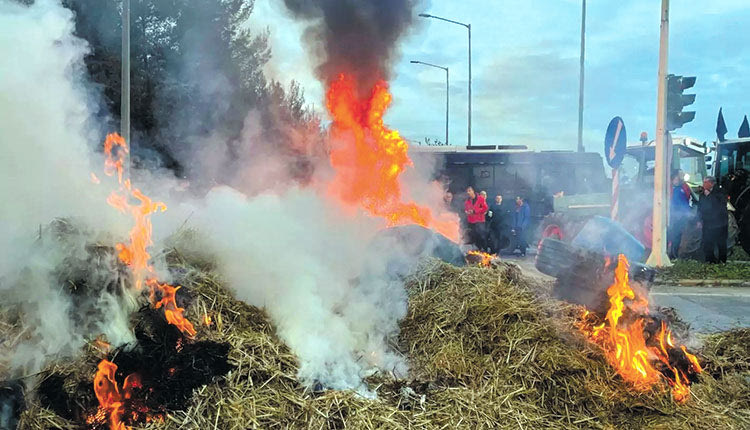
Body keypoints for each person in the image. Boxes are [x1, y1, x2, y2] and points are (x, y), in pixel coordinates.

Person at [697, 176, 728, 263]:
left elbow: (719, 205)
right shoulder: (703, 194)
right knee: (707, 242)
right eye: (703, 182)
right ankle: (709, 260)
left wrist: (709, 195)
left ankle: (722, 260)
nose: (703, 185)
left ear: (711, 183)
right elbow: (700, 207)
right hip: (707, 222)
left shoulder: (720, 192)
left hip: (720, 223)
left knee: (721, 243)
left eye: (705, 183)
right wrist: (699, 220)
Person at [669, 170, 692, 259]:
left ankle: (673, 255)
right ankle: (672, 254)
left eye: (678, 179)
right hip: (675, 215)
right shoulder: (677, 189)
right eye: (676, 179)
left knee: (676, 235)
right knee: (673, 235)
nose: (677, 180)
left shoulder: (681, 189)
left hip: (677, 216)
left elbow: (683, 203)